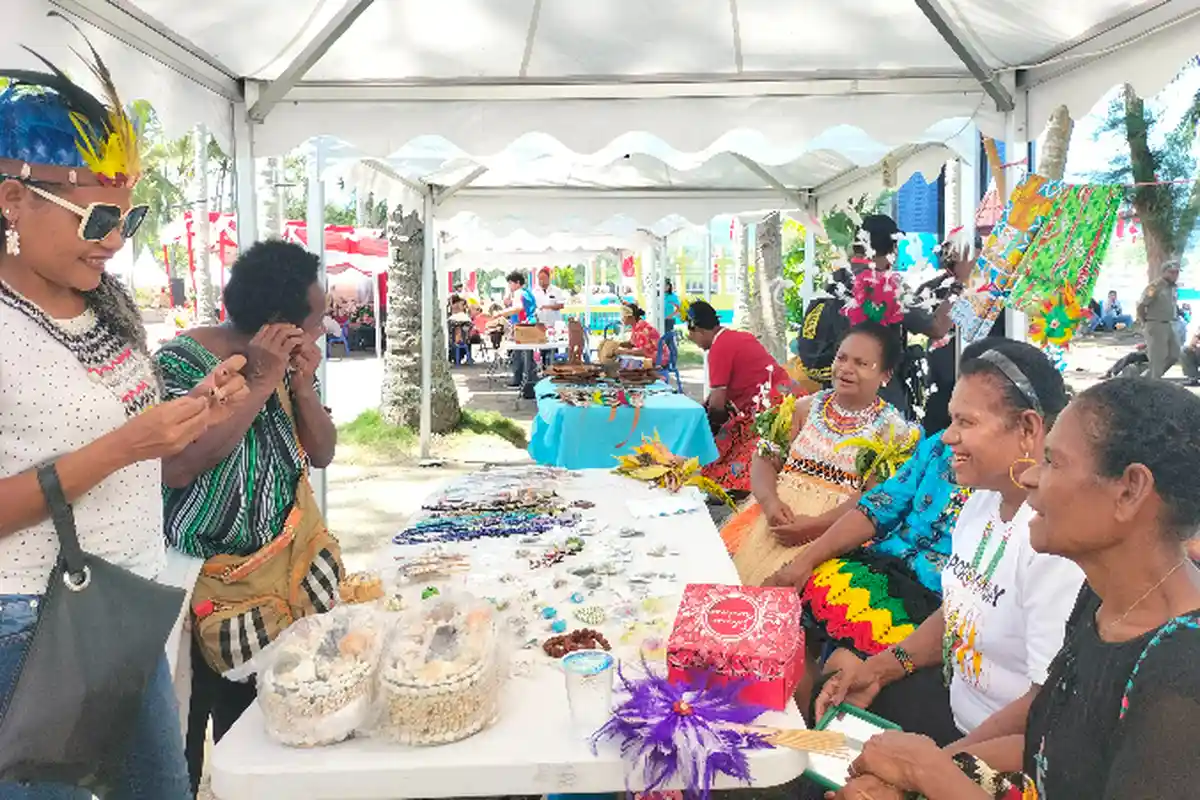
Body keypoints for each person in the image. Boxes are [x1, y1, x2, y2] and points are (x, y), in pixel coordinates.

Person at [0, 48, 246, 798]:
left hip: (126, 609)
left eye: (129, 216)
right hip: (34, 629)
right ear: (13, 200)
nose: (116, 239)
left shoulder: (104, 305)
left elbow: (128, 434)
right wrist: (118, 449)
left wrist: (201, 404)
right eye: (98, 217)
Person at [835, 378, 1200, 800]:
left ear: (1130, 490)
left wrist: (927, 773)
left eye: (1052, 462)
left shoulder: (1182, 678)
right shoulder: (1103, 602)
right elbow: (1046, 746)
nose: (1028, 477)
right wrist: (912, 778)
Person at [809, 339, 1081, 749]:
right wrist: (881, 669)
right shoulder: (981, 504)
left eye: (965, 423)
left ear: (1028, 428)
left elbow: (1045, 704)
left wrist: (934, 767)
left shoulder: (1055, 543)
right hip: (953, 707)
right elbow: (959, 609)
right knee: (832, 704)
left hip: (1002, 749)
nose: (948, 436)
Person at [155, 240, 338, 796]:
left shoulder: (288, 366)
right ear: (280, 324)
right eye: (315, 317)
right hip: (204, 591)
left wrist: (300, 384)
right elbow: (181, 466)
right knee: (194, 739)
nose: (324, 327)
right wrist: (259, 379)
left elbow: (323, 451)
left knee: (280, 732)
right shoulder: (180, 363)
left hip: (285, 581)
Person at [721, 323, 917, 587]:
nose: (846, 368)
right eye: (842, 357)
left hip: (834, 538)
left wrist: (813, 527)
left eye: (861, 363)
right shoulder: (802, 409)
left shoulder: (893, 432)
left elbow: (874, 499)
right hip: (774, 525)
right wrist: (769, 503)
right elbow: (765, 458)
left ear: (885, 375)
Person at [686, 300, 792, 494]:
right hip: (787, 400)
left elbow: (717, 405)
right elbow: (719, 390)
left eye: (692, 337)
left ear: (699, 330)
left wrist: (706, 428)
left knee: (719, 456)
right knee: (728, 442)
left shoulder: (718, 349)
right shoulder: (738, 337)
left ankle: (741, 488)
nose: (697, 344)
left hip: (772, 412)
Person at [1137, 260, 1181, 379]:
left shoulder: (1173, 288)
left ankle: (1147, 377)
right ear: (1164, 272)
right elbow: (1141, 305)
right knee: (1158, 357)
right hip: (1156, 324)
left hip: (1170, 324)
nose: (1175, 275)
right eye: (1171, 272)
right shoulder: (1155, 286)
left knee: (1174, 354)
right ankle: (1154, 382)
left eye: (1177, 273)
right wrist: (1144, 322)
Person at [496, 271, 538, 393]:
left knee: (520, 355)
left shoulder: (519, 293)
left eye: (510, 283)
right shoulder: (526, 292)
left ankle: (521, 380)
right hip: (527, 325)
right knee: (524, 355)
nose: (509, 286)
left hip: (523, 326)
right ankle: (525, 380)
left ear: (517, 283)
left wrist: (502, 313)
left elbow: (518, 308)